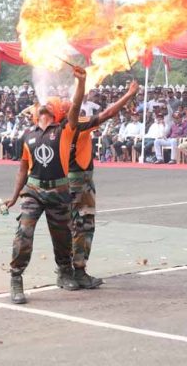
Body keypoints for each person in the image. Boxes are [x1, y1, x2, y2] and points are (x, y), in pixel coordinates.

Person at [3, 66, 87, 304]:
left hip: (59, 192)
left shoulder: (64, 131)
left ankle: (64, 271)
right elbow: (22, 169)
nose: (47, 104)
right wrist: (14, 196)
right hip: (34, 192)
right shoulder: (27, 135)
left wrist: (81, 83)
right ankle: (16, 278)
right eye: (45, 102)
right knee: (24, 232)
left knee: (62, 237)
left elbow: (77, 107)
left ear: (58, 112)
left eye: (52, 103)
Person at [66, 80, 139, 289]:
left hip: (63, 181)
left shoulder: (55, 127)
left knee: (67, 227)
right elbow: (107, 114)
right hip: (80, 182)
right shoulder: (76, 125)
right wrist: (129, 94)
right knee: (83, 226)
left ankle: (64, 271)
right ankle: (78, 271)